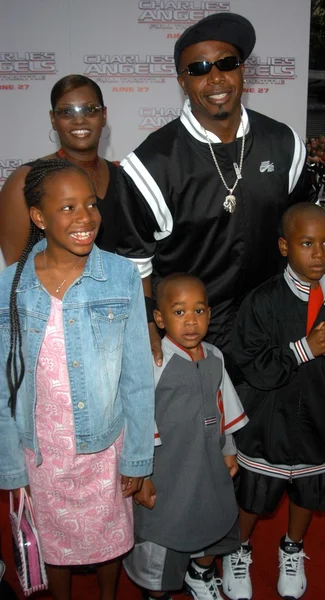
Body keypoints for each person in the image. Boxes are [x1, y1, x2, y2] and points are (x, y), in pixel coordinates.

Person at [116, 12, 325, 384]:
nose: (215, 78)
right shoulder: (150, 164)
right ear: (182, 81)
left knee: (271, 431)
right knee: (202, 436)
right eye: (198, 68)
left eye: (226, 63)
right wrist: (147, 326)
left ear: (244, 70)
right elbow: (136, 265)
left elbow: (305, 216)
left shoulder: (283, 142)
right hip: (192, 335)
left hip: (273, 324)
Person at [0, 159, 155, 600]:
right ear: (38, 217)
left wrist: (138, 457)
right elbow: (4, 388)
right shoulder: (11, 285)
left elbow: (138, 379)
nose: (85, 217)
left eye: (90, 204)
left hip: (104, 449)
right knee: (54, 543)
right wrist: (12, 466)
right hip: (42, 453)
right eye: (67, 208)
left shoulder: (122, 275)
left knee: (108, 540)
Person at [226, 203, 325, 600]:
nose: (319, 253)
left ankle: (292, 547)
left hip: (319, 417)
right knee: (254, 494)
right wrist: (306, 348)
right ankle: (238, 548)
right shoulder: (262, 301)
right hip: (267, 421)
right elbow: (251, 364)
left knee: (309, 489)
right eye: (306, 243)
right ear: (283, 246)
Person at [123, 273, 248, 600]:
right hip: (167, 470)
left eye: (199, 311)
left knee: (213, 516)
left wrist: (229, 447)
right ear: (160, 318)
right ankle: (157, 591)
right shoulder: (154, 361)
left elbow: (224, 407)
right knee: (166, 527)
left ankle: (200, 572)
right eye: (179, 312)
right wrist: (142, 474)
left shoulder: (215, 356)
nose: (191, 321)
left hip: (208, 465)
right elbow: (138, 415)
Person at [0, 74, 120, 266]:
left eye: (90, 110)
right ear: (53, 119)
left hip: (120, 293)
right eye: (67, 112)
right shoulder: (25, 180)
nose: (79, 120)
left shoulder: (121, 176)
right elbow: (16, 274)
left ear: (103, 115)